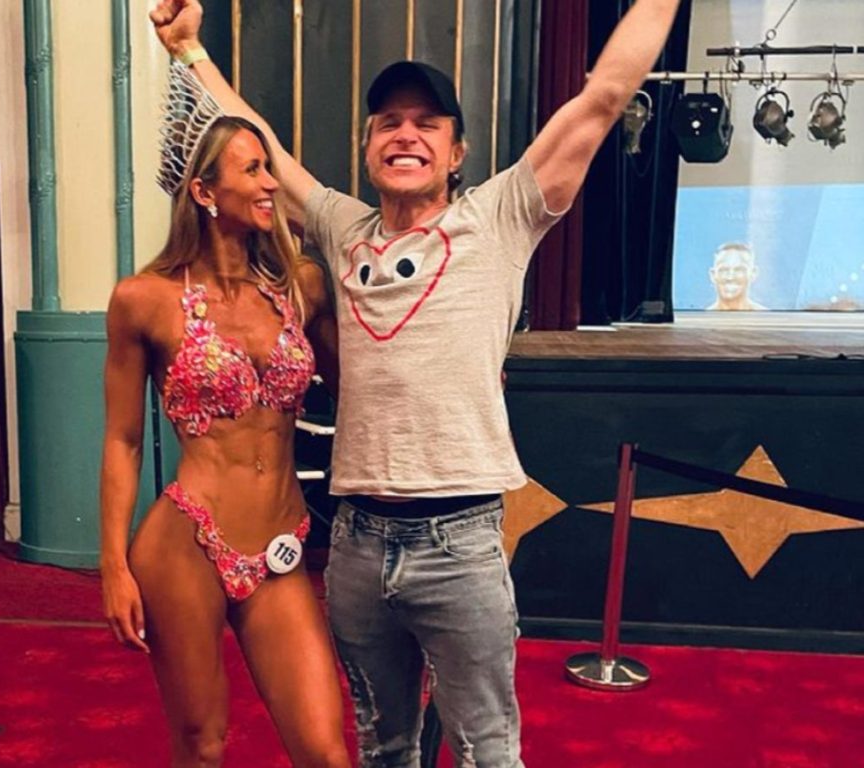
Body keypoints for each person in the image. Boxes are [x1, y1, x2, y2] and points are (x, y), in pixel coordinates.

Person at [150, 1, 683, 765]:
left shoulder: (500, 217)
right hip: (358, 545)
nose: (406, 134)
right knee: (384, 746)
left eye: (428, 124)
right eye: (389, 123)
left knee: (487, 750)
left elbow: (602, 97)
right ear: (368, 146)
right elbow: (261, 141)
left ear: (457, 151)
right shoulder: (342, 228)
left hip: (458, 544)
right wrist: (190, 50)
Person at [99, 59, 348, 768]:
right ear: (205, 191)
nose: (270, 184)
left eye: (269, 169)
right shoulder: (144, 300)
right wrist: (112, 565)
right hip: (187, 542)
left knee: (324, 751)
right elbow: (122, 439)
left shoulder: (301, 288)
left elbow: (362, 390)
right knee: (202, 745)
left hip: (280, 545)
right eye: (252, 170)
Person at [707, 242, 768, 310]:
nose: (730, 277)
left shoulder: (768, 316)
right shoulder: (702, 316)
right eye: (724, 270)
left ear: (753, 274)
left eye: (739, 270)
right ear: (712, 275)